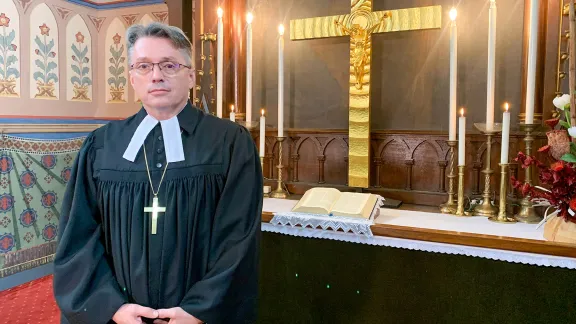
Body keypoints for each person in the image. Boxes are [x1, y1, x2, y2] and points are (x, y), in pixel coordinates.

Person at [53, 22, 263, 324]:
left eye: (169, 65)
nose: (156, 75)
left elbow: (238, 240)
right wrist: (112, 307)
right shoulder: (101, 145)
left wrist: (199, 310)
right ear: (131, 78)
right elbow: (78, 237)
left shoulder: (229, 143)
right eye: (143, 66)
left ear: (191, 75)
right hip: (120, 317)